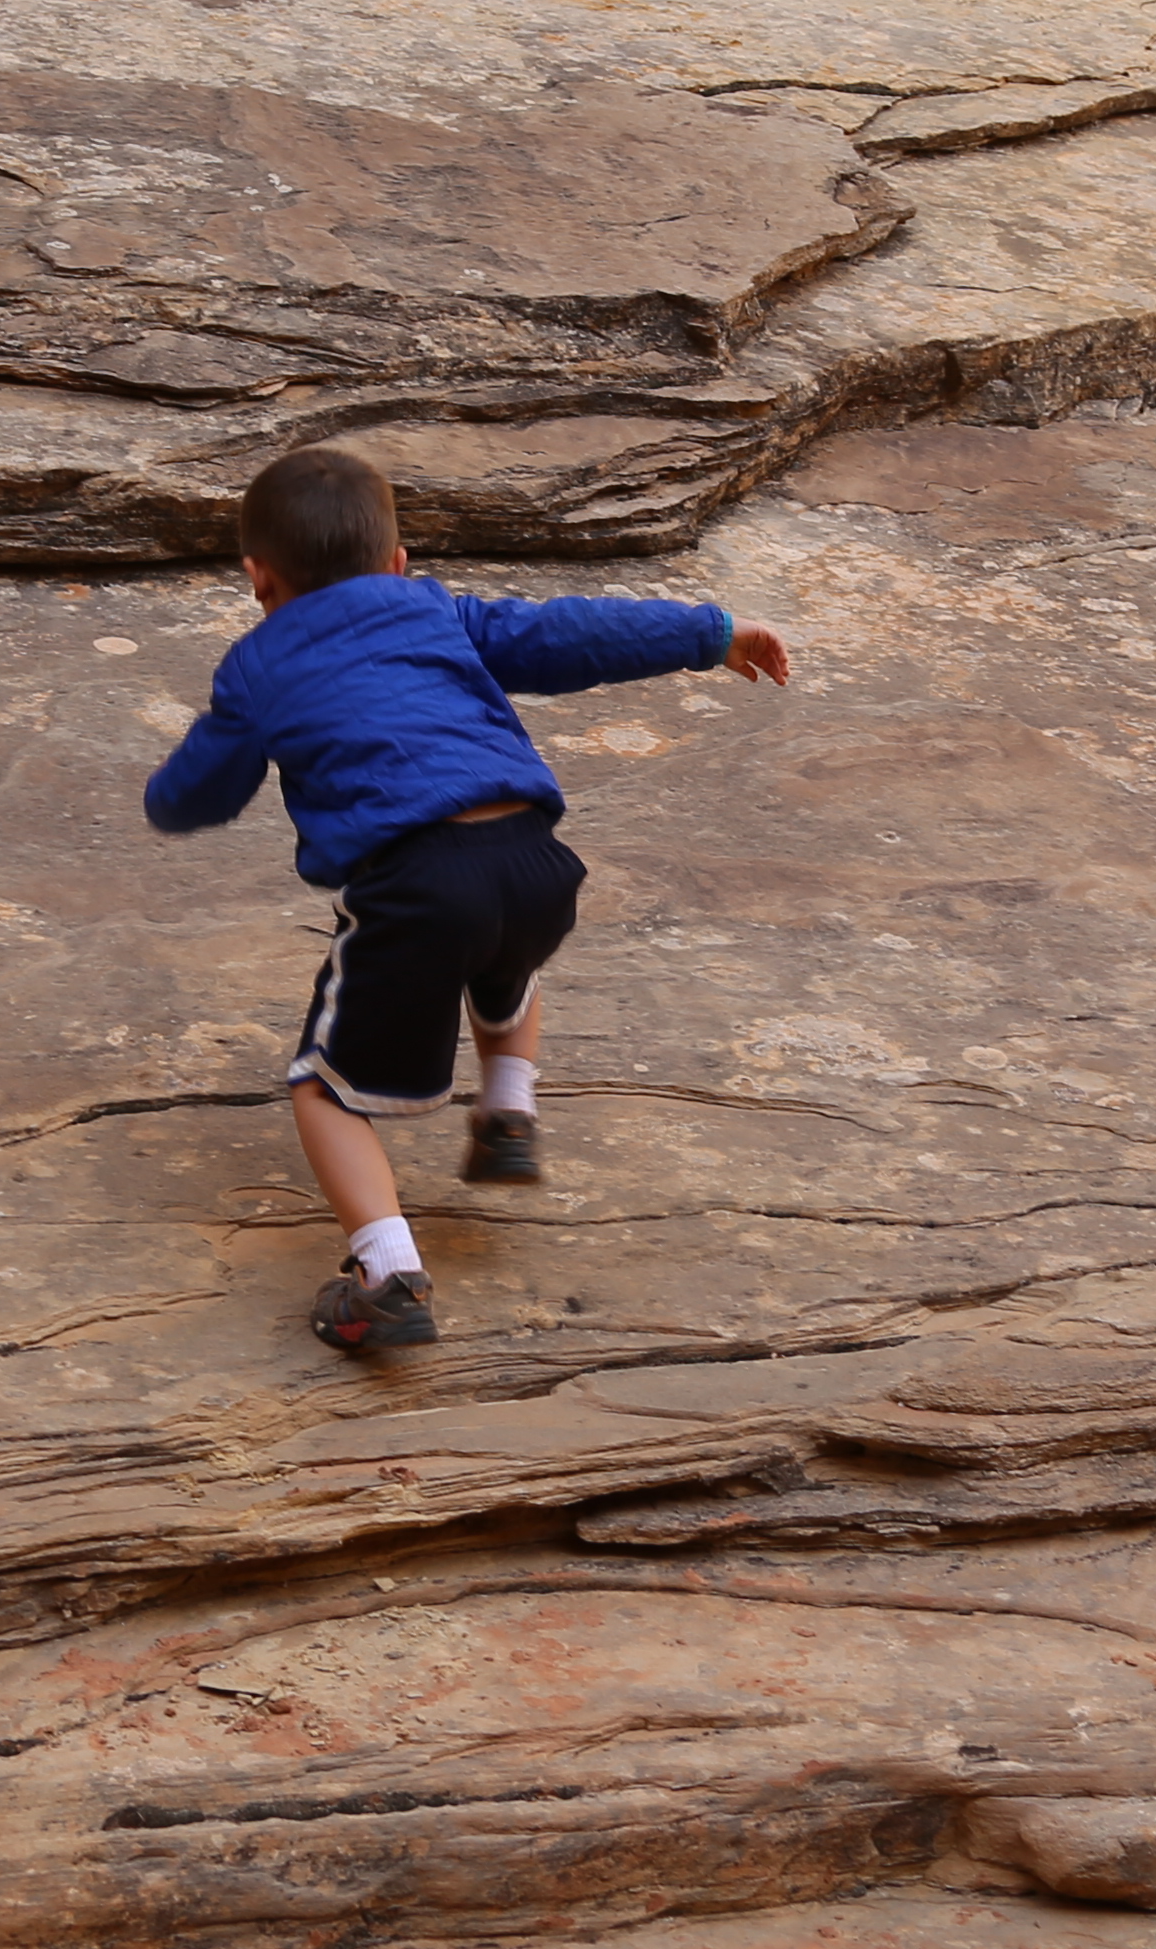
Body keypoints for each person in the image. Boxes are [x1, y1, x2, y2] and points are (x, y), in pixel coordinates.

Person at [143, 444, 791, 1354]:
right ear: (398, 562)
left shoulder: (259, 666)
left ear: (259, 579)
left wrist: (164, 797)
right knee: (501, 961)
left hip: (414, 885)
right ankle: (507, 1109)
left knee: (325, 1089)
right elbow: (571, 636)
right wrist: (708, 634)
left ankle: (386, 1273)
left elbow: (201, 794)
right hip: (536, 864)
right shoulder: (436, 609)